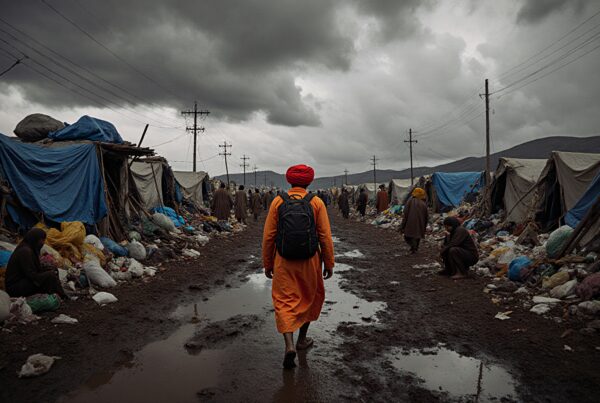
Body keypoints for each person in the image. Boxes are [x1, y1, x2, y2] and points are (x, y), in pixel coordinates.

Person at [262, 164, 335, 369]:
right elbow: (325, 237)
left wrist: (268, 263)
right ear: (309, 182)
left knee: (284, 300)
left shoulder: (278, 201)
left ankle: (289, 345)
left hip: (283, 261)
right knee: (309, 298)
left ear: (289, 180)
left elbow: (269, 237)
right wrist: (328, 263)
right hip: (310, 261)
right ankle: (302, 339)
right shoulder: (316, 202)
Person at [5, 228, 68, 299]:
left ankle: (60, 295)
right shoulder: (25, 251)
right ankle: (61, 296)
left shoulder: (30, 249)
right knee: (50, 275)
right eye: (42, 240)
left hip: (23, 281)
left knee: (52, 271)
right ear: (35, 239)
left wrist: (47, 269)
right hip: (15, 288)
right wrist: (47, 274)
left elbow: (34, 270)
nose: (43, 243)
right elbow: (31, 275)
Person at [400, 187, 429, 254]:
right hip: (421, 223)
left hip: (411, 222)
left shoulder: (411, 200)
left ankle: (413, 247)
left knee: (407, 236)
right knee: (417, 236)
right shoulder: (423, 202)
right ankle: (415, 248)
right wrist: (425, 224)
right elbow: (426, 215)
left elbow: (406, 212)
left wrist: (402, 225)